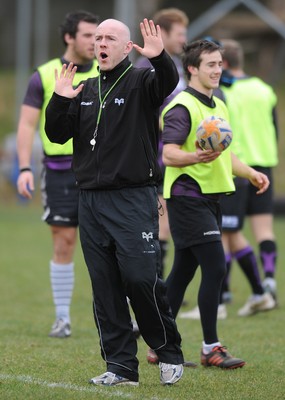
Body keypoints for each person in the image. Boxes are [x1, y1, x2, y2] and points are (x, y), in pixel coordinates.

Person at [45, 18, 184, 386]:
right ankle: (121, 367)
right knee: (105, 286)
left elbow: (167, 83)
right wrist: (60, 99)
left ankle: (168, 350)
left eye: (110, 38)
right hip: (89, 201)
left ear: (126, 48)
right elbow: (55, 134)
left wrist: (160, 58)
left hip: (133, 198)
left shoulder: (142, 81)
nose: (101, 43)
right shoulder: (85, 88)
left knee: (140, 278)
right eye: (97, 38)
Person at [161, 39, 270, 369]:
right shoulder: (182, 106)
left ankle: (158, 342)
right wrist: (195, 156)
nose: (217, 70)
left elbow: (225, 154)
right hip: (187, 196)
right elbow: (169, 153)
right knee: (216, 267)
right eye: (210, 64)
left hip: (210, 199)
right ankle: (210, 347)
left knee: (181, 273)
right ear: (192, 69)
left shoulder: (218, 105)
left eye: (220, 63)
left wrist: (251, 173)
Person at [16, 10, 100, 338]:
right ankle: (62, 318)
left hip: (101, 172)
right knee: (64, 241)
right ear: (69, 37)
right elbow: (26, 124)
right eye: (88, 36)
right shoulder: (44, 75)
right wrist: (24, 167)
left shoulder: (109, 73)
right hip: (60, 172)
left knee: (112, 244)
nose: (95, 42)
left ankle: (125, 314)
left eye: (99, 36)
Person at [134, 7, 189, 365]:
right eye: (180, 32)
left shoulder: (175, 68)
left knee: (170, 241)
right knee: (159, 242)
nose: (184, 38)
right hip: (155, 168)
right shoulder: (144, 70)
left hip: (177, 167)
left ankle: (155, 331)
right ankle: (150, 323)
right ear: (162, 32)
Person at [219, 38, 279, 304]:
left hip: (238, 168)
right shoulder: (265, 89)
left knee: (227, 231)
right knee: (264, 230)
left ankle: (225, 290)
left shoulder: (222, 91)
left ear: (225, 64)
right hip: (264, 163)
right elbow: (274, 127)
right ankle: (269, 279)